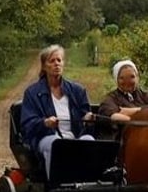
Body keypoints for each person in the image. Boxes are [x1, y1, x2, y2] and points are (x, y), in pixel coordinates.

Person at [20, 44, 95, 178]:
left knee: (89, 140)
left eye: (59, 60)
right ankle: (57, 188)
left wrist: (88, 119)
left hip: (75, 137)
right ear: (44, 66)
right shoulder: (32, 93)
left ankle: (88, 186)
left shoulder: (77, 90)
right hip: (46, 138)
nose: (56, 64)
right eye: (52, 61)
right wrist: (45, 123)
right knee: (55, 144)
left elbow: (86, 118)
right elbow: (27, 125)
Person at [98, 59, 148, 129]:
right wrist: (144, 117)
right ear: (116, 80)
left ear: (137, 77)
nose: (127, 81)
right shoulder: (110, 99)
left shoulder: (146, 95)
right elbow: (114, 116)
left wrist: (130, 111)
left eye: (132, 77)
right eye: (122, 78)